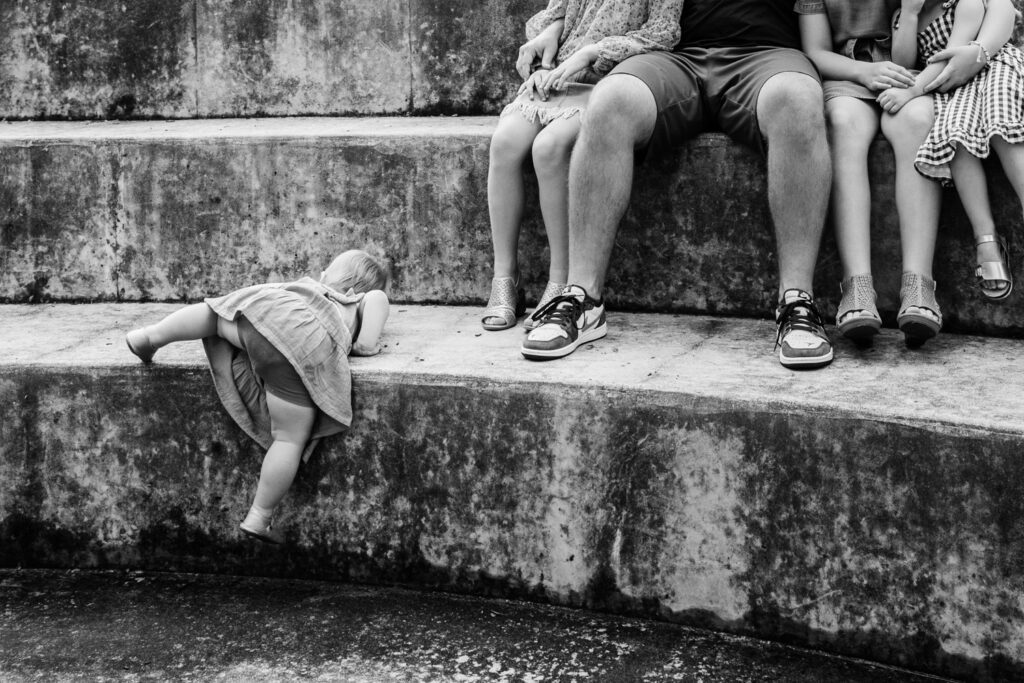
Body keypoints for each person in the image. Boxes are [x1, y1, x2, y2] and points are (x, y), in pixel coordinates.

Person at [516, 0, 836, 368]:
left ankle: (797, 301)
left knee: (798, 100)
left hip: (767, 56)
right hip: (673, 56)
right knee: (610, 100)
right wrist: (554, 29)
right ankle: (583, 299)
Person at [124, 249, 390, 544]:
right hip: (305, 344)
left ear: (325, 276)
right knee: (289, 437)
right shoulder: (363, 298)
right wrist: (367, 342)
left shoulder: (305, 287)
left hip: (266, 313)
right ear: (359, 290)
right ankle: (259, 516)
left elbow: (236, 306)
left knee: (215, 314)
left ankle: (151, 336)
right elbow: (370, 327)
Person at [481, 0, 683, 331]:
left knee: (549, 147)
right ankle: (506, 277)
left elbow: (665, 32)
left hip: (611, 78)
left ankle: (560, 281)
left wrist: (593, 51)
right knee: (504, 143)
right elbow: (560, 14)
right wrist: (546, 42)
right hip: (560, 74)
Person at [796, 0, 948, 348]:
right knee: (843, 124)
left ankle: (919, 284)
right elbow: (815, 50)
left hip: (911, 77)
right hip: (847, 75)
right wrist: (862, 72)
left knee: (917, 123)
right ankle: (857, 286)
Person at [879, 0, 1022, 305]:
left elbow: (951, 60)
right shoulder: (903, 15)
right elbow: (904, 61)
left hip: (992, 69)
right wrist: (910, 13)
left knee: (1000, 122)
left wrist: (911, 92)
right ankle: (986, 240)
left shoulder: (963, 3)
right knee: (953, 136)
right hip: (954, 90)